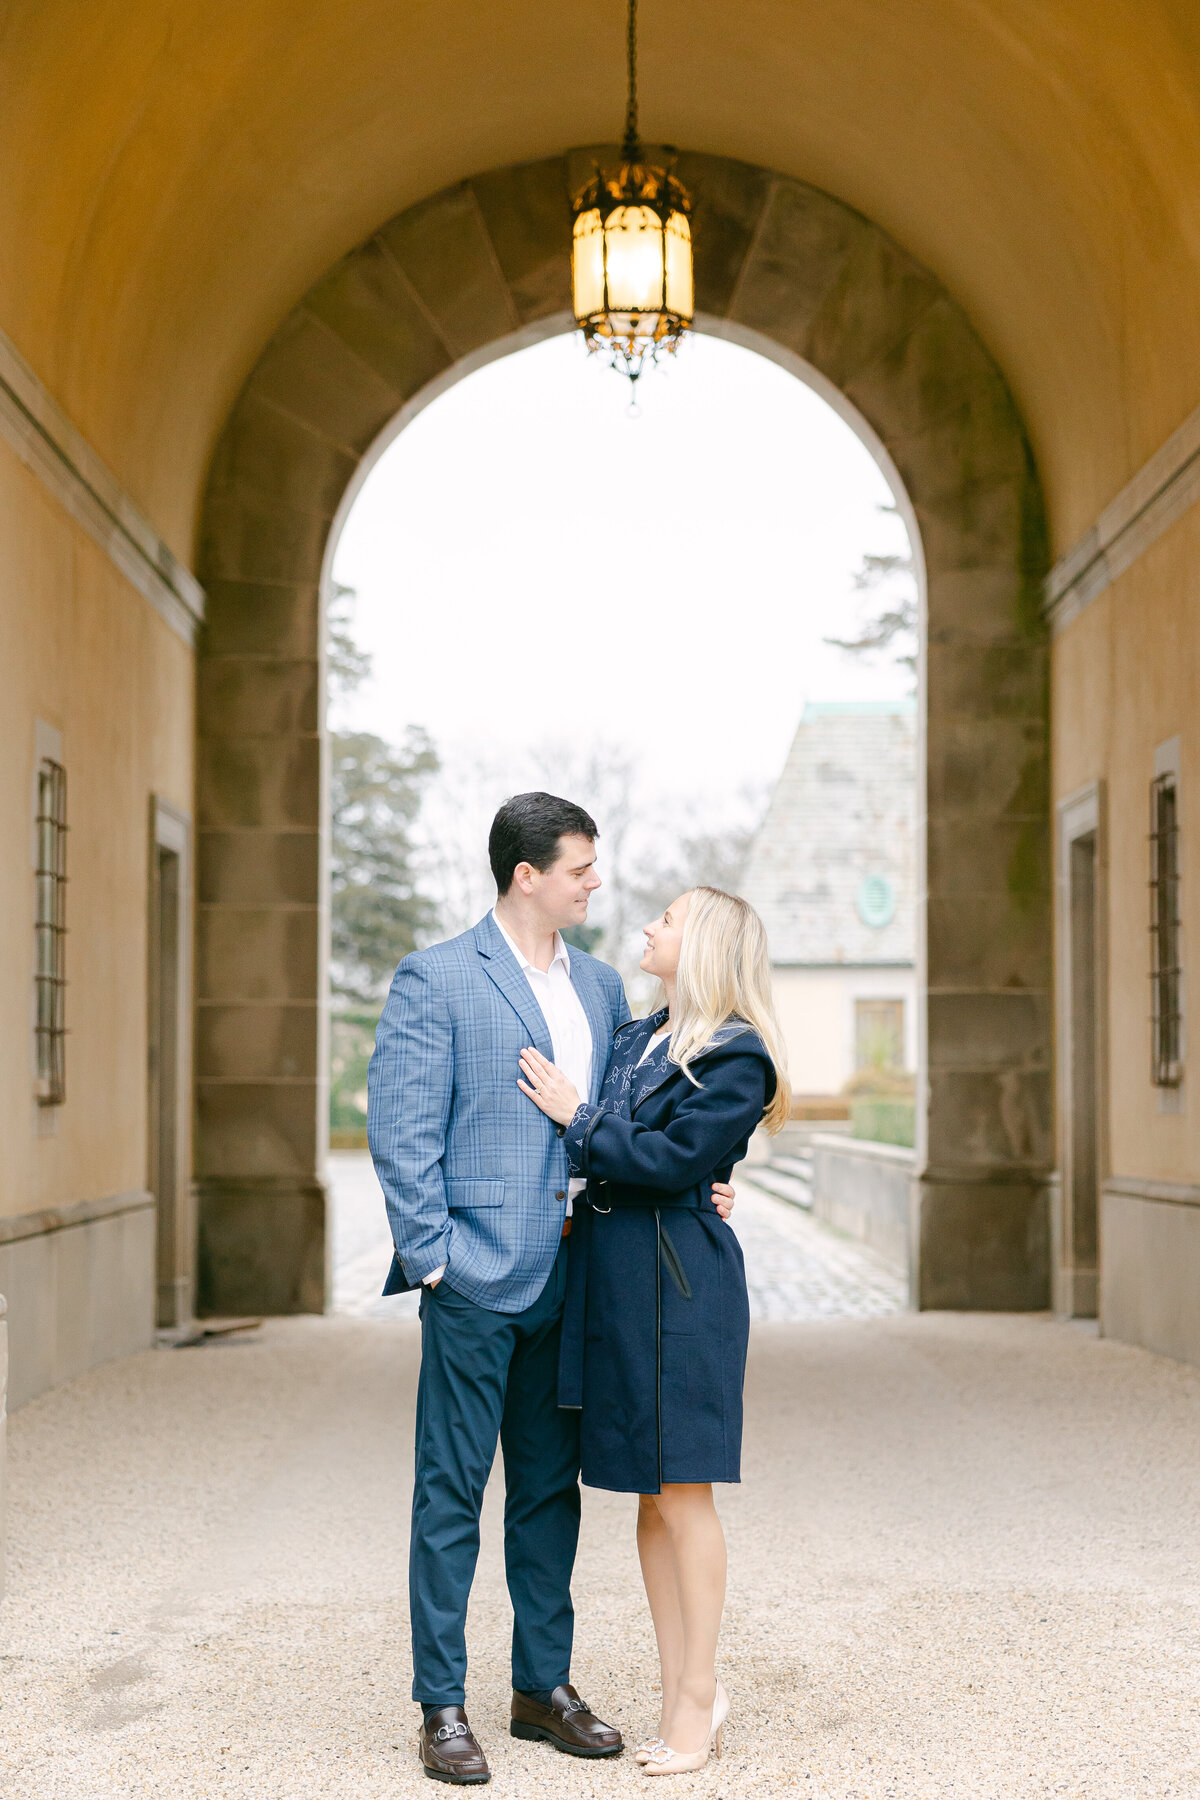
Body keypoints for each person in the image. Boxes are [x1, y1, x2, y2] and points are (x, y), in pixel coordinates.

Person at [367, 795, 736, 1785]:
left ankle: (542, 1687)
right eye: (580, 867)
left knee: (548, 1493)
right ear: (527, 875)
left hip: (580, 1282)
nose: (595, 882)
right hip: (475, 1281)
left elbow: (640, 1115)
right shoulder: (437, 978)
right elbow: (401, 1133)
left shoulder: (608, 987)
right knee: (449, 1493)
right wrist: (436, 1260)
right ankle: (441, 1705)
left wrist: (703, 1181)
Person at [519, 885, 790, 1778]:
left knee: (685, 1495)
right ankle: (682, 1688)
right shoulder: (639, 1038)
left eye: (667, 919)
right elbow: (650, 1159)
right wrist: (630, 1151)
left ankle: (699, 1696)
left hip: (682, 1292)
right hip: (620, 1288)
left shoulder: (738, 1057)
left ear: (704, 944)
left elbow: (671, 1157)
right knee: (646, 1495)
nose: (648, 927)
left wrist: (582, 1118)